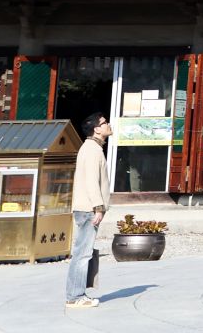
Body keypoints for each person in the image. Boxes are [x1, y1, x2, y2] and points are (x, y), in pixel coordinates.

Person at [65, 113, 111, 310]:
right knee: (82, 254)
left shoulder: (92, 148)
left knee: (84, 252)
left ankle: (77, 294)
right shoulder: (92, 150)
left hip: (86, 207)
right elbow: (92, 181)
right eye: (104, 122)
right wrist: (98, 207)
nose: (108, 125)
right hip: (88, 209)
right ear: (96, 129)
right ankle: (75, 296)